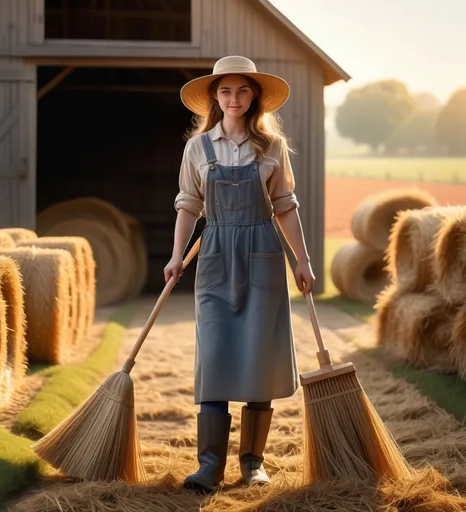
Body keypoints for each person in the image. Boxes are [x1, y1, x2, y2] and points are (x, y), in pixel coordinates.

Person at [164, 55, 315, 493]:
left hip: (263, 252)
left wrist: (302, 261)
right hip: (214, 255)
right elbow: (189, 205)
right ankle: (209, 466)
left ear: (255, 97)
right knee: (214, 354)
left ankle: (252, 464)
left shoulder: (271, 147)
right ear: (214, 96)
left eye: (243, 90)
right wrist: (177, 257)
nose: (234, 98)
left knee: (258, 353)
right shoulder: (198, 147)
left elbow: (285, 206)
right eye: (225, 90)